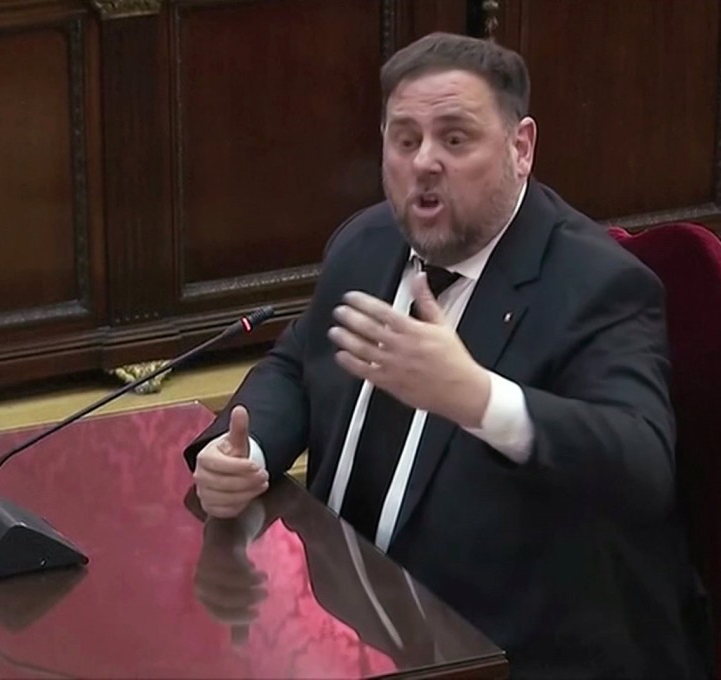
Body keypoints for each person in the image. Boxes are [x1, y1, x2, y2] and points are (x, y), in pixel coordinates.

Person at [183, 32, 712, 679]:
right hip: (348, 620)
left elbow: (641, 464)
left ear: (521, 148)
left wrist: (478, 398)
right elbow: (297, 364)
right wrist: (247, 452)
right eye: (405, 140)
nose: (424, 163)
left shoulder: (595, 284)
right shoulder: (369, 239)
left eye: (455, 140)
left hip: (509, 646)